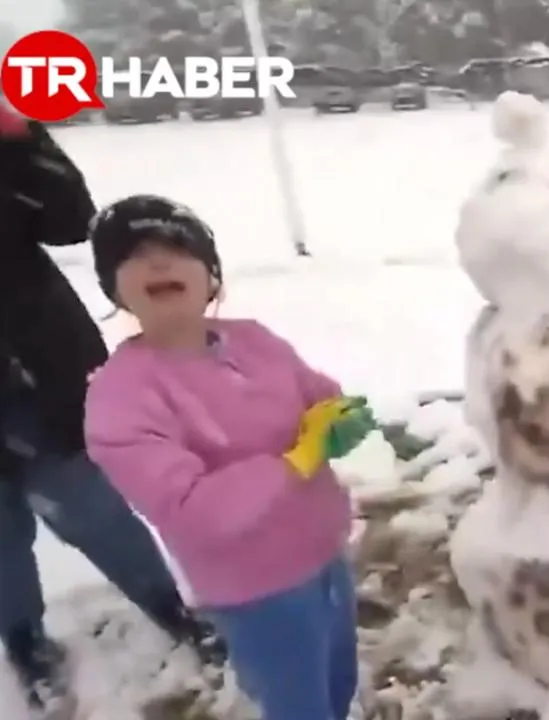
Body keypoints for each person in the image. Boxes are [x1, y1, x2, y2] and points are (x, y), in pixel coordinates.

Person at [82, 195, 377, 720]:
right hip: (258, 590)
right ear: (112, 284)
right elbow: (195, 512)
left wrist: (338, 411)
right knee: (296, 705)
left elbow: (312, 390)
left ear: (211, 274)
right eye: (135, 253)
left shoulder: (252, 339)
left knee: (338, 676)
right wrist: (296, 461)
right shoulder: (119, 399)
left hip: (324, 554)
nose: (159, 262)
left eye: (177, 248)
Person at [0, 111, 220, 710]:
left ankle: (168, 606)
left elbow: (71, 220)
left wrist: (22, 139)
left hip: (38, 381)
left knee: (91, 509)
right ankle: (25, 643)